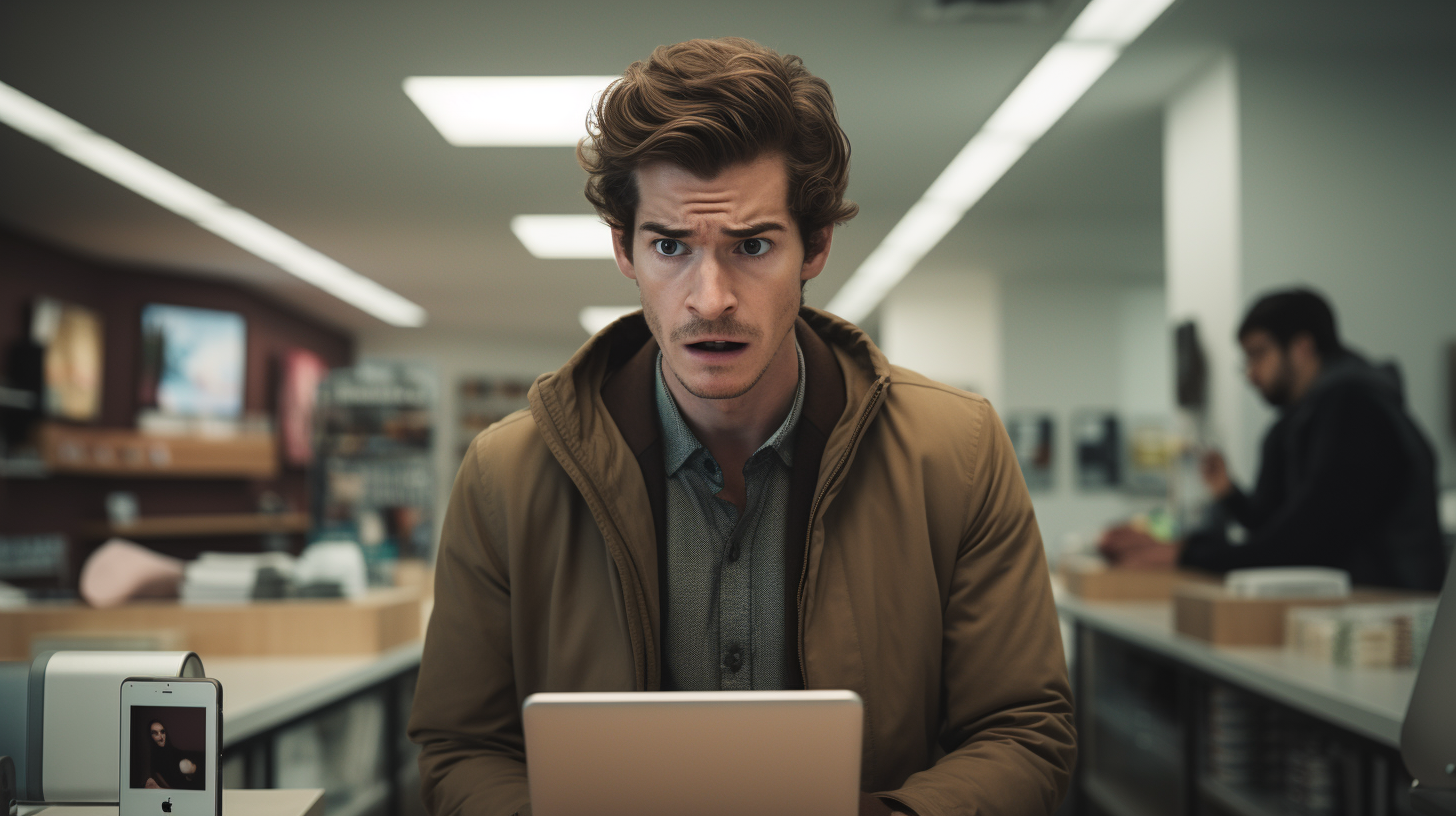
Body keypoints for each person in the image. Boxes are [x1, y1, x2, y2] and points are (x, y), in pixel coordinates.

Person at [408, 37, 1075, 816]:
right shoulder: (507, 475)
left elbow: (1025, 730)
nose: (710, 298)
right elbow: (460, 748)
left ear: (815, 247)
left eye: (752, 246)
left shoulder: (955, 452)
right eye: (671, 246)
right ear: (624, 249)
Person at [1100, 288, 1446, 590]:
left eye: (1258, 354)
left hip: (1392, 623)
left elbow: (1306, 542)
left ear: (1302, 347)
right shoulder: (1293, 424)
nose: (1250, 373)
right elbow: (1275, 527)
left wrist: (1186, 555)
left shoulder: (1356, 410)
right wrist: (1229, 494)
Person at [141, 719, 203, 790]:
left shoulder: (174, 752)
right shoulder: (153, 760)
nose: (161, 737)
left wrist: (192, 771)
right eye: (155, 733)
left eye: (162, 732)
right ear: (150, 736)